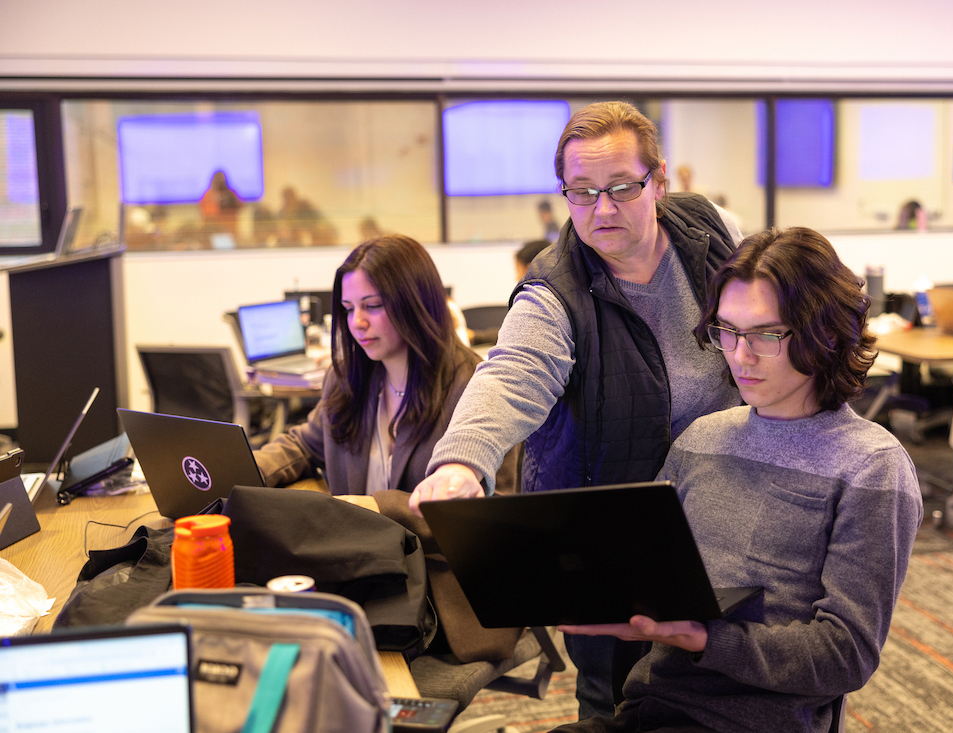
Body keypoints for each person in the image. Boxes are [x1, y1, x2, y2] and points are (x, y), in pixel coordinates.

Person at [411, 100, 743, 718]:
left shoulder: (714, 231)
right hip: (614, 533)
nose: (602, 210)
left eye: (622, 188)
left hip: (721, 516)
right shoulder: (555, 289)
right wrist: (461, 462)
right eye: (582, 192)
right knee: (612, 699)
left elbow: (778, 304)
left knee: (727, 687)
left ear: (659, 181)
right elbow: (512, 375)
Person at [553, 227, 924, 733]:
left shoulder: (871, 466)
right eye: (727, 331)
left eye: (765, 335)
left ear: (829, 333)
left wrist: (706, 639)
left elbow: (846, 654)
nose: (739, 355)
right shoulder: (701, 440)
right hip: (651, 709)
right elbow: (644, 569)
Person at [253, 234, 521, 659]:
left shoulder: (474, 388)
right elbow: (304, 444)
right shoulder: (351, 378)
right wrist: (242, 469)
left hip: (438, 588)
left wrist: (378, 506)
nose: (357, 322)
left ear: (416, 303)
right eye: (348, 309)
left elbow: (486, 523)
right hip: (359, 565)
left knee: (318, 652)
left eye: (372, 306)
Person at [199, 170, 242, 236]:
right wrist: (217, 202)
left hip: (231, 227)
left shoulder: (231, 193)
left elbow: (240, 205)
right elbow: (207, 213)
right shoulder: (209, 194)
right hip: (215, 229)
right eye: (218, 179)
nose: (221, 181)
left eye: (222, 179)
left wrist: (230, 201)